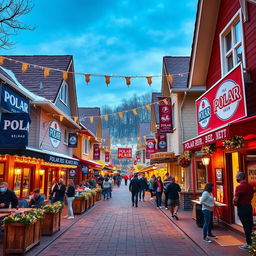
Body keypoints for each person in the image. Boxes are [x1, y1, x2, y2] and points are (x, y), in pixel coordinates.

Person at [233, 172, 254, 250]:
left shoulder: (239, 187)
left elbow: (235, 199)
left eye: (237, 177)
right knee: (249, 224)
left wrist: (235, 204)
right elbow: (252, 195)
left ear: (240, 177)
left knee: (245, 225)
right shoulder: (250, 186)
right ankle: (251, 241)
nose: (236, 178)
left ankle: (248, 243)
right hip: (249, 206)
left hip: (242, 207)